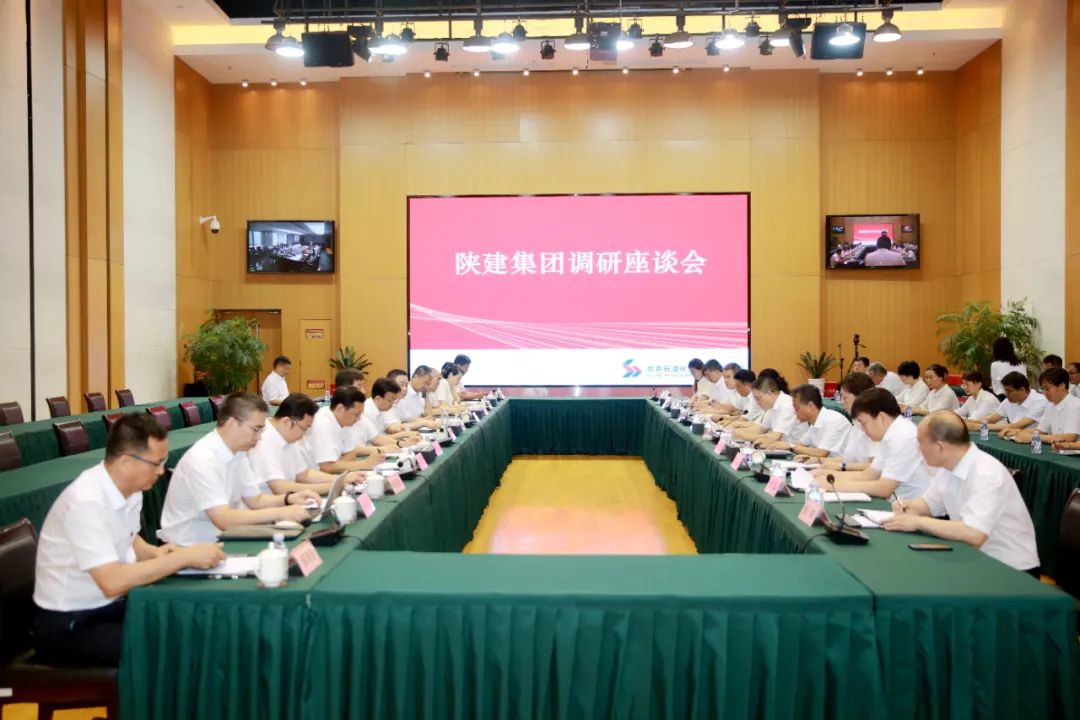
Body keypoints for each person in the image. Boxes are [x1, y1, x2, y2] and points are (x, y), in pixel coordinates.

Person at [32, 415, 226, 667]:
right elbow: (112, 582)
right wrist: (183, 558)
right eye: (156, 463)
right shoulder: (86, 502)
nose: (161, 471)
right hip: (71, 622)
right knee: (170, 646)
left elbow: (130, 538)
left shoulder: (130, 489)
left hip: (109, 607)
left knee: (190, 621)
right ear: (126, 461)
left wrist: (155, 553)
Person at [882, 411, 1040, 574]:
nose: (918, 449)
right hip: (975, 557)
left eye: (920, 443)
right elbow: (927, 505)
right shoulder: (948, 467)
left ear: (940, 447)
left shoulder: (986, 473)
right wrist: (909, 506)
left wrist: (917, 522)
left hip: (1011, 569)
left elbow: (974, 533)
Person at [158, 393, 319, 546]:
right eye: (256, 429)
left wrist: (289, 499)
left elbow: (255, 500)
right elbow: (223, 519)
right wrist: (281, 512)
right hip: (189, 547)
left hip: (221, 538)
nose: (259, 437)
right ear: (232, 423)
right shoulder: (203, 459)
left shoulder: (239, 452)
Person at [812, 387, 931, 500]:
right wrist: (825, 474)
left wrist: (832, 484)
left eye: (864, 423)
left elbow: (884, 488)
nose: (863, 430)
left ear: (881, 418)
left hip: (910, 507)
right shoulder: (890, 433)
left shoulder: (903, 436)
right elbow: (869, 475)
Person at [248, 393, 361, 495]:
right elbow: (281, 488)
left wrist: (342, 479)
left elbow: (304, 474)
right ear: (286, 422)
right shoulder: (263, 440)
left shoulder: (288, 434)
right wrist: (334, 486)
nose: (303, 435)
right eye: (304, 429)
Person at [308, 386, 383, 472]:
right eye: (356, 414)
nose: (358, 419)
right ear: (340, 409)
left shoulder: (342, 420)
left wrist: (338, 465)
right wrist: (365, 464)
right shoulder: (322, 423)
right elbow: (326, 467)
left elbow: (351, 453)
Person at [815, 372, 878, 471]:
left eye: (845, 397)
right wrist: (818, 460)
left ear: (861, 397)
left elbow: (875, 467)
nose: (841, 402)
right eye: (841, 397)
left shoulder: (875, 425)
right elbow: (849, 459)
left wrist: (840, 467)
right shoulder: (856, 423)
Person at [767, 384, 851, 458]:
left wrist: (791, 446)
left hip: (842, 467)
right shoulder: (815, 422)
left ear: (810, 406)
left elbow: (821, 453)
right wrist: (777, 445)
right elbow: (801, 444)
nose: (794, 412)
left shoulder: (833, 420)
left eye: (796, 408)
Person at [1001, 368, 1080, 444]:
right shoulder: (1051, 405)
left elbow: (1069, 437)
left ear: (1062, 385)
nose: (1044, 393)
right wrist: (1017, 432)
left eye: (1047, 389)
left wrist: (1032, 437)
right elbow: (1041, 431)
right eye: (1042, 389)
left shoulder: (1076, 405)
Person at [963, 371, 1048, 434]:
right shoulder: (1009, 400)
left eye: (1009, 391)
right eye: (1005, 390)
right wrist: (969, 423)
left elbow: (1017, 426)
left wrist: (977, 426)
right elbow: (990, 420)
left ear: (1022, 389)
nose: (1005, 394)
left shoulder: (1040, 401)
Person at [730, 375, 796, 444]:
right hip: (778, 446)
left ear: (769, 394)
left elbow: (775, 437)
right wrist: (732, 431)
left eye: (757, 398)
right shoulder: (772, 405)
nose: (757, 402)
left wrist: (741, 435)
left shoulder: (786, 406)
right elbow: (760, 429)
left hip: (791, 448)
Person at [364, 377, 419, 447]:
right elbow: (376, 440)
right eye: (390, 400)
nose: (393, 403)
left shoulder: (380, 408)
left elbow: (386, 428)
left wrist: (400, 429)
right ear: (378, 399)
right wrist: (402, 439)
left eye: (394, 400)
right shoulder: (367, 412)